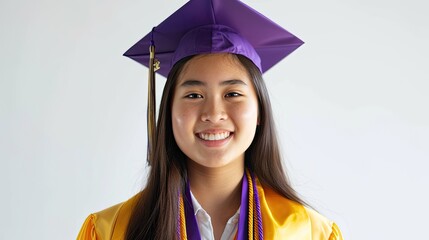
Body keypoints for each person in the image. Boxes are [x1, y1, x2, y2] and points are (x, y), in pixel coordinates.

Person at [77, 0, 343, 239]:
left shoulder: (308, 232)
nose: (214, 113)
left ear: (260, 110)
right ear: (168, 110)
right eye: (193, 95)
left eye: (233, 93)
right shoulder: (111, 230)